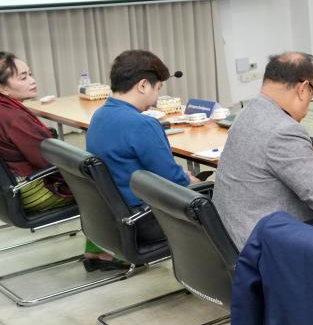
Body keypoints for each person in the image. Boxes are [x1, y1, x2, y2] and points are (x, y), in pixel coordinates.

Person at [215, 53, 313, 249]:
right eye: (312, 95)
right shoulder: (285, 130)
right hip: (264, 247)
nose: (309, 104)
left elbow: (265, 166)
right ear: (303, 88)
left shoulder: (246, 113)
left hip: (232, 237)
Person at [0, 52, 117, 269]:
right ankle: (104, 253)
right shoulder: (14, 119)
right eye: (23, 77)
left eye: (30, 74)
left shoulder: (7, 110)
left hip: (10, 190)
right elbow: (48, 159)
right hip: (32, 191)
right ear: (3, 88)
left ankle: (97, 249)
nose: (32, 80)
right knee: (107, 182)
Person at [87, 49, 201, 210]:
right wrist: (188, 179)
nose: (156, 98)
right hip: (146, 212)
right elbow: (172, 181)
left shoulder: (99, 115)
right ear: (143, 85)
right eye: (158, 88)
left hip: (113, 210)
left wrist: (180, 175)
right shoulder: (142, 124)